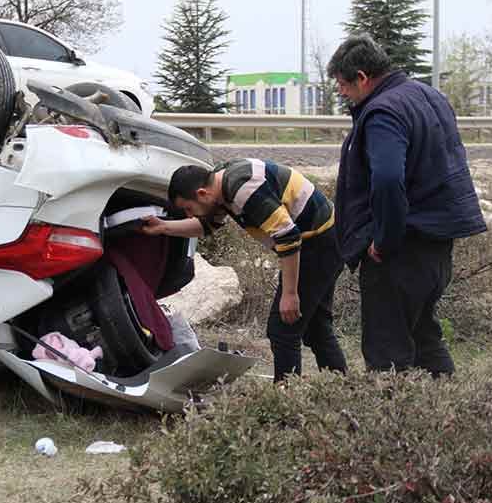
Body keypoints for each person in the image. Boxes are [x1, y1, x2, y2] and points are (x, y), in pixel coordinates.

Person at [327, 34, 486, 377]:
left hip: (401, 252)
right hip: (436, 244)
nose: (341, 93)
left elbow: (386, 179)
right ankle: (454, 422)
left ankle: (393, 427)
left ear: (362, 78)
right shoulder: (428, 95)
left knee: (387, 353)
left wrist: (383, 240)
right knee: (424, 339)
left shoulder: (384, 110)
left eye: (342, 84)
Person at [142, 159, 348, 381]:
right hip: (324, 238)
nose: (190, 215)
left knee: (283, 329)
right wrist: (162, 227)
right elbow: (206, 226)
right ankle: (342, 387)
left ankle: (286, 397)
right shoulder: (218, 186)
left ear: (202, 193)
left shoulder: (244, 189)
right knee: (317, 328)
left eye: (188, 209)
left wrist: (290, 294)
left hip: (319, 243)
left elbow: (289, 237)